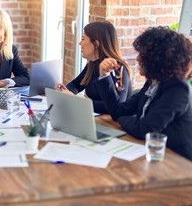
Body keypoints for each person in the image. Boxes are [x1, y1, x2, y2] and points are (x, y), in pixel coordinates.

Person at [97, 26, 192, 160]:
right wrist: (104, 75)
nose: (138, 59)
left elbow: (145, 129)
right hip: (152, 152)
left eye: (143, 55)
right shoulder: (153, 81)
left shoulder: (177, 90)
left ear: (158, 60)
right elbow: (118, 111)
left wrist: (123, 119)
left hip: (178, 162)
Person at [56, 21, 132, 114]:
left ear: (96, 44)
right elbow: (75, 85)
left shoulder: (118, 68)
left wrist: (79, 101)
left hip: (110, 124)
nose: (80, 43)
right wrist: (66, 92)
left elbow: (117, 105)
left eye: (83, 39)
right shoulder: (93, 64)